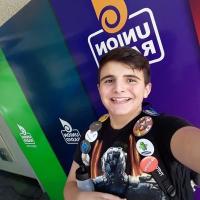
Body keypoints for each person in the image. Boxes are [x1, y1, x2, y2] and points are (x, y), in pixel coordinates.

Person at [64, 47, 200, 200]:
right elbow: (70, 185)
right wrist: (82, 197)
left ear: (146, 89)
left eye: (130, 80)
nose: (119, 88)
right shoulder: (91, 136)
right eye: (109, 80)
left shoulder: (166, 129)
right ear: (99, 89)